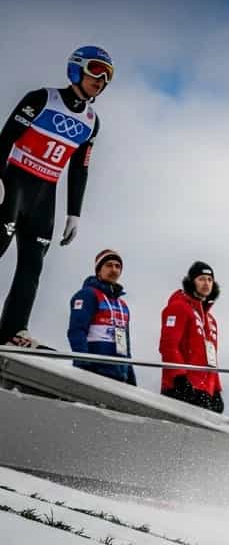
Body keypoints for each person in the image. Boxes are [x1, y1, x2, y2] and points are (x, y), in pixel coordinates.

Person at [0, 46, 110, 346]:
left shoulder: (91, 121)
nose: (100, 79)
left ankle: (12, 331)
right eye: (95, 70)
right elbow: (6, 137)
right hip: (14, 184)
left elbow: (79, 170)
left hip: (45, 195)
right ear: (76, 69)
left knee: (32, 264)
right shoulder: (42, 98)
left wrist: (74, 212)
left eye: (107, 76)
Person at [159, 261, 222, 412]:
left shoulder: (211, 320)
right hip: (181, 387)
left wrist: (217, 390)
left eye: (209, 280)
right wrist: (179, 378)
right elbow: (168, 345)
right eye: (201, 279)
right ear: (191, 282)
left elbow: (211, 357)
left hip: (205, 391)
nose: (206, 283)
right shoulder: (179, 307)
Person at [66, 249, 134, 385]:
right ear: (98, 270)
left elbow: (124, 343)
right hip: (94, 372)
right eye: (109, 265)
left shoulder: (123, 305)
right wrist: (83, 364)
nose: (114, 270)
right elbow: (76, 331)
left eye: (117, 266)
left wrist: (130, 376)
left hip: (119, 375)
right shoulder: (87, 295)